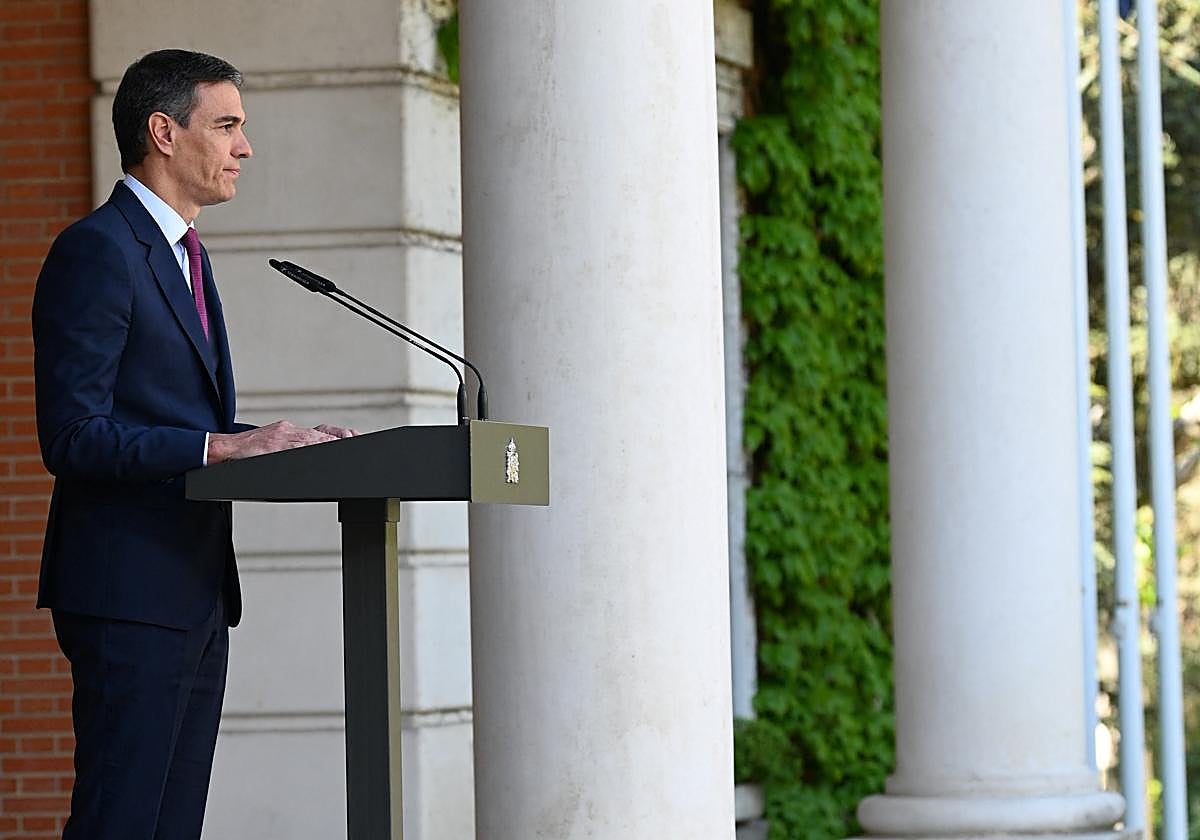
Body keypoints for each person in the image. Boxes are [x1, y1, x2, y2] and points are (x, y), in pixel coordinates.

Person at [32, 49, 353, 840]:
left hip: (194, 590)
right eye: (229, 125)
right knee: (121, 823)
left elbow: (165, 417)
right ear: (164, 132)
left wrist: (281, 443)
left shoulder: (186, 257)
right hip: (129, 594)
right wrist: (217, 450)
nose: (245, 147)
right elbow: (73, 437)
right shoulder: (99, 251)